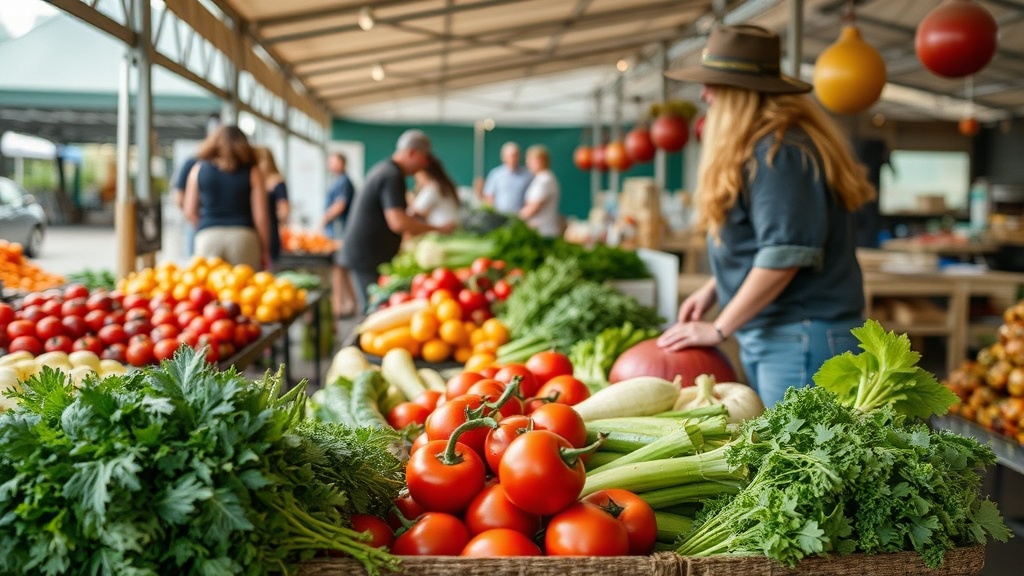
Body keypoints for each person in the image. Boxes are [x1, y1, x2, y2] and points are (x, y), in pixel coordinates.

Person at [655, 24, 876, 408]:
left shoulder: (779, 152)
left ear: (741, 94)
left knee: (795, 461)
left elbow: (785, 254)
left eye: (714, 86)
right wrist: (715, 288)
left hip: (800, 336)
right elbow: (768, 242)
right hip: (786, 335)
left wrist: (720, 326)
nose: (705, 95)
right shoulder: (767, 146)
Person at [338, 129, 456, 314]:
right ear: (412, 153)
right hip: (367, 256)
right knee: (373, 312)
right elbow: (398, 222)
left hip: (366, 253)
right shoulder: (392, 175)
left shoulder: (386, 170)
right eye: (424, 157)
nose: (425, 163)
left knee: (374, 309)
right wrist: (437, 229)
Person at [183, 125, 271, 270]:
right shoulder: (253, 172)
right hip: (243, 237)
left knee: (209, 289)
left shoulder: (198, 169)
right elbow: (261, 217)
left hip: (208, 237)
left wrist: (207, 226)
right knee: (245, 288)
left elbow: (189, 211)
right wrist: (265, 250)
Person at [171, 114, 220, 258]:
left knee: (197, 268)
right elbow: (179, 197)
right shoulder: (193, 162)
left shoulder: (193, 162)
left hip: (200, 222)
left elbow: (179, 198)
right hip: (198, 223)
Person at [320, 153, 357, 318]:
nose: (330, 164)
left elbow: (340, 205)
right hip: (338, 231)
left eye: (333, 161)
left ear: (342, 163)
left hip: (341, 231)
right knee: (343, 267)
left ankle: (339, 306)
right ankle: (349, 304)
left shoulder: (343, 182)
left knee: (339, 267)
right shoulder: (339, 181)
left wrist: (324, 219)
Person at [252, 147, 290, 267]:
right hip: (263, 230)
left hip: (265, 231)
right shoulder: (261, 181)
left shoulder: (275, 182)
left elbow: (284, 210)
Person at [518, 145, 562, 238]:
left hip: (544, 232)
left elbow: (534, 207)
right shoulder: (539, 179)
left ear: (542, 161)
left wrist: (514, 219)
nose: (528, 163)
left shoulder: (545, 180)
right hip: (537, 232)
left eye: (531, 160)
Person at [410, 154, 460, 228]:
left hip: (442, 231)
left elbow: (414, 213)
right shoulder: (444, 185)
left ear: (424, 172)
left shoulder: (432, 188)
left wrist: (410, 198)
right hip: (451, 229)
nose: (415, 177)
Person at [482, 141, 533, 215]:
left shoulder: (527, 175)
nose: (513, 159)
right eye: (510, 156)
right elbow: (489, 196)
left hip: (520, 217)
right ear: (503, 157)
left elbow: (531, 197)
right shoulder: (496, 174)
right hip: (499, 216)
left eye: (515, 155)